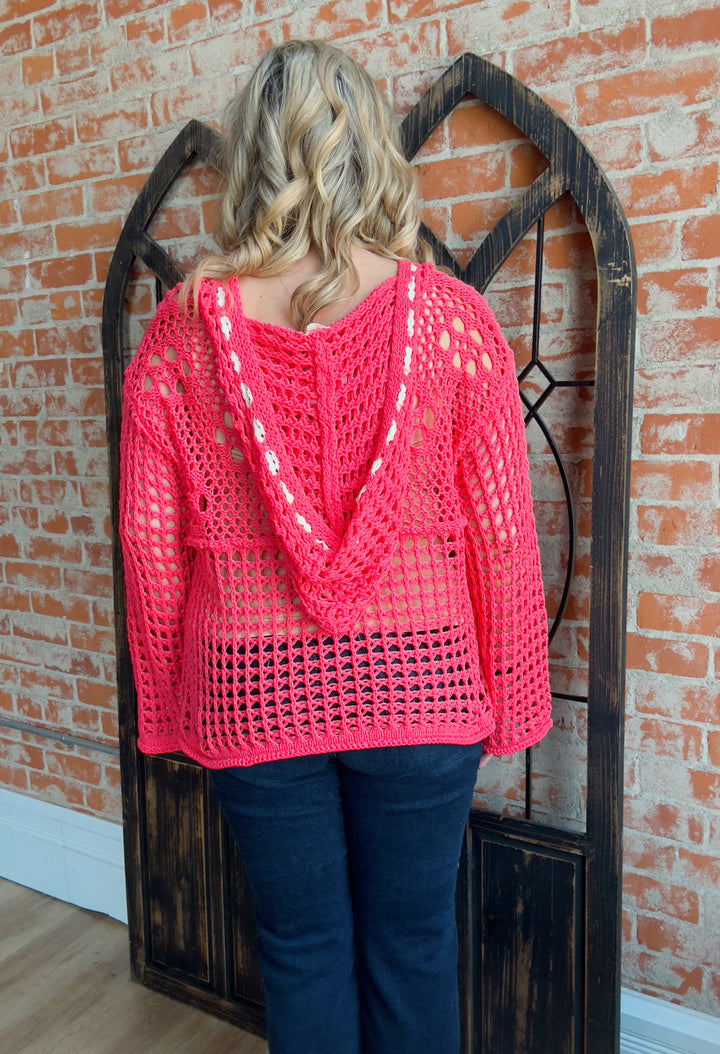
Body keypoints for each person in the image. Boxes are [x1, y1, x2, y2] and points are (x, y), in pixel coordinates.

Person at [119, 39, 552, 1054]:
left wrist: (173, 699)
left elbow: (150, 543)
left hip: (251, 683)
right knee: (413, 948)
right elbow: (503, 532)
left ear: (253, 159)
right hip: (422, 682)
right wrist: (510, 688)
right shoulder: (454, 324)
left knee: (301, 949)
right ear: (370, 149)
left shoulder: (181, 336)